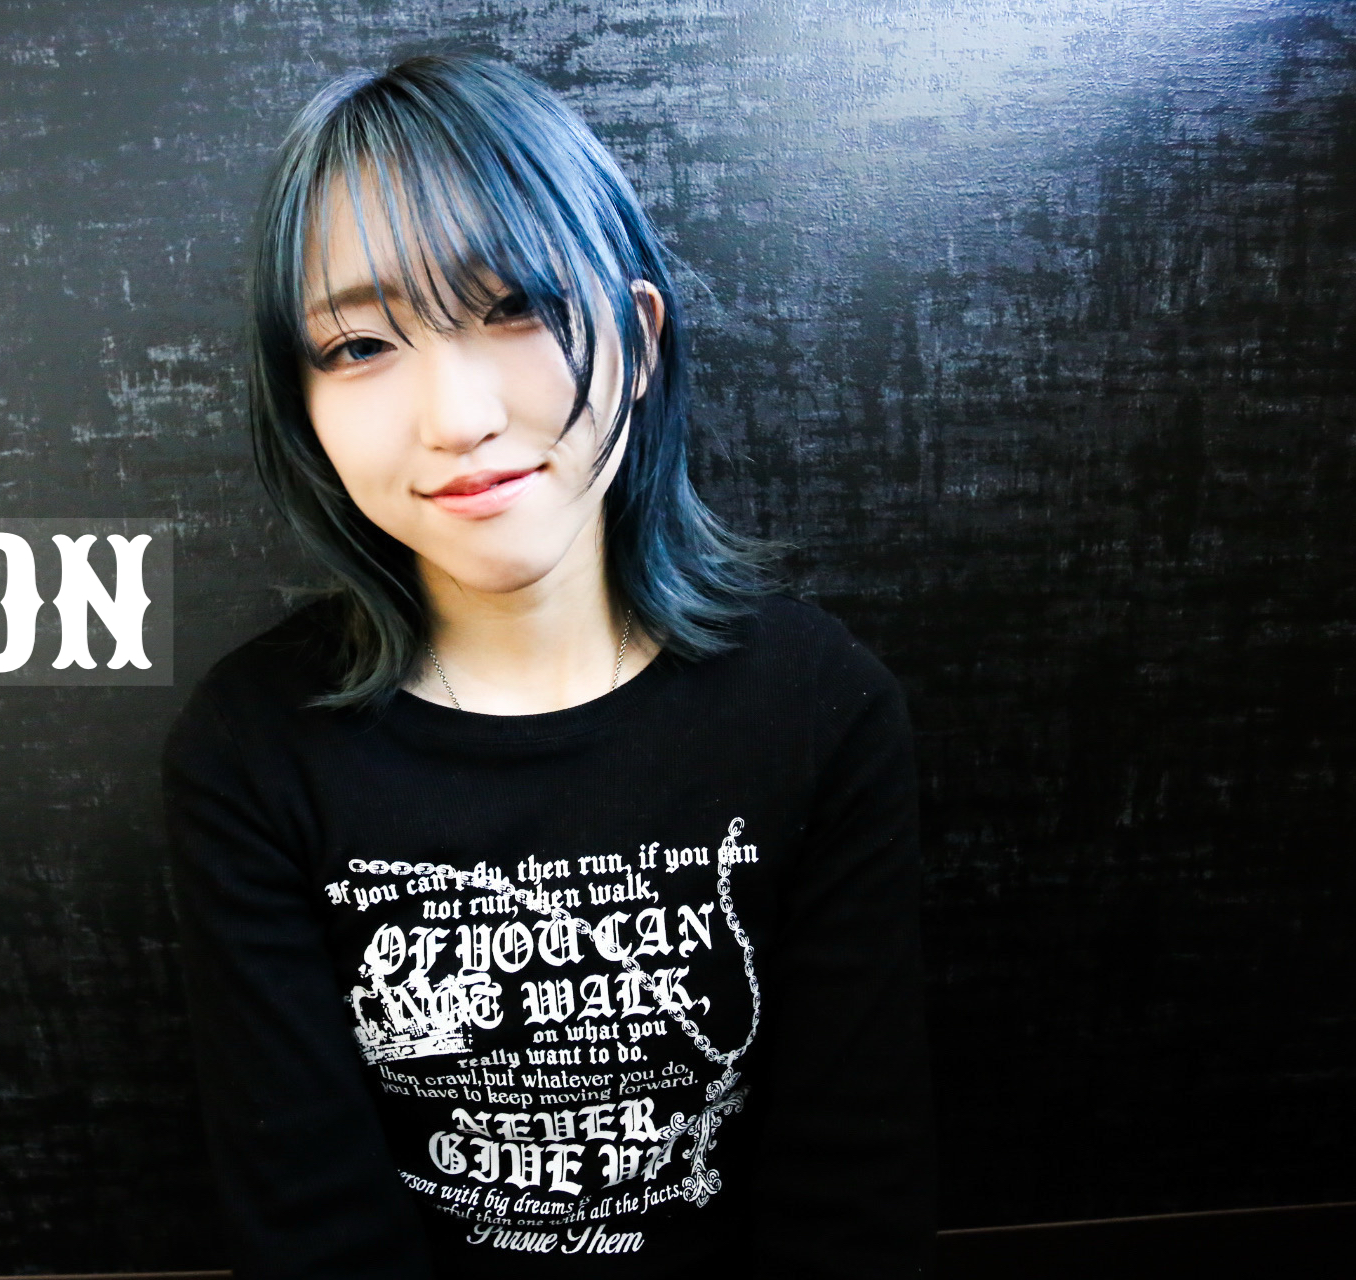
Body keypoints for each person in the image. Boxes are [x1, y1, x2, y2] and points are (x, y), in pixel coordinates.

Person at [163, 52, 934, 1280]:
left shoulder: (817, 706)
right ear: (301, 405)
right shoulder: (253, 745)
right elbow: (314, 1230)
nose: (457, 417)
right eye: (358, 345)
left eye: (515, 304)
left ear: (640, 335)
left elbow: (850, 1200)